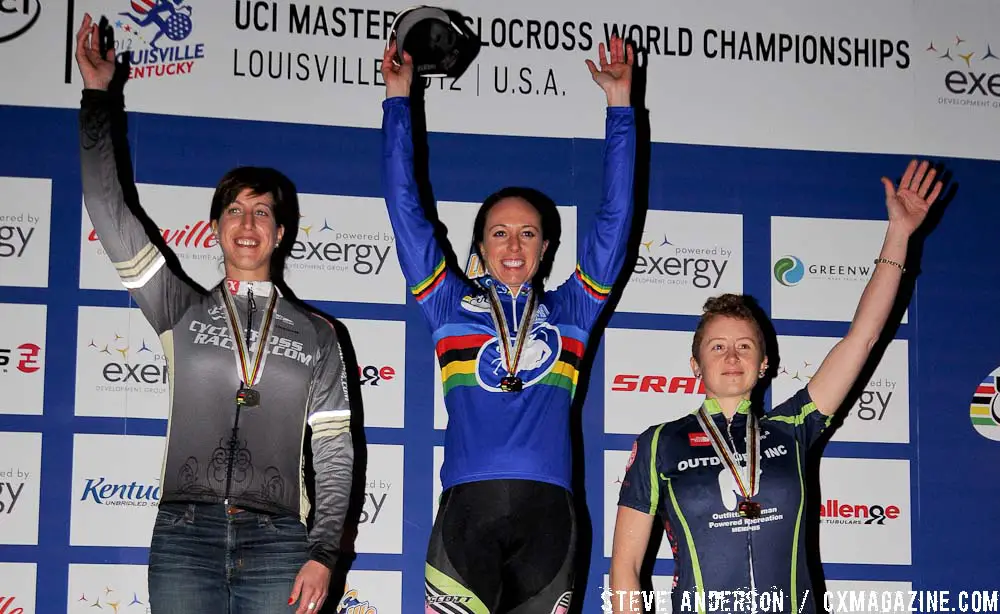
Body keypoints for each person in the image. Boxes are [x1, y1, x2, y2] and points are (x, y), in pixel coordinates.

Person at [75, 14, 353, 614]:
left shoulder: (320, 335)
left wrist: (324, 551)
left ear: (280, 233)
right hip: (183, 537)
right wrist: (97, 97)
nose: (246, 223)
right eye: (233, 210)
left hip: (281, 540)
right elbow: (106, 205)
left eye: (260, 212)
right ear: (216, 228)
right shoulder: (178, 306)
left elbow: (335, 455)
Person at [609, 160, 944, 614]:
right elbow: (625, 567)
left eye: (745, 346)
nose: (732, 357)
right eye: (718, 347)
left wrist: (899, 235)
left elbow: (861, 339)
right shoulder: (658, 444)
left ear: (764, 363)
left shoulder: (792, 428)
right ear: (695, 364)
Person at [381, 35, 636, 614]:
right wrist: (398, 101)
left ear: (546, 247)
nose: (514, 245)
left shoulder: (573, 308)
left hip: (549, 519)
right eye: (499, 232)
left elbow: (615, 221)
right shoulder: (448, 304)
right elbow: (407, 213)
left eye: (528, 233)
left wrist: (619, 107)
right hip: (466, 513)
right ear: (480, 246)